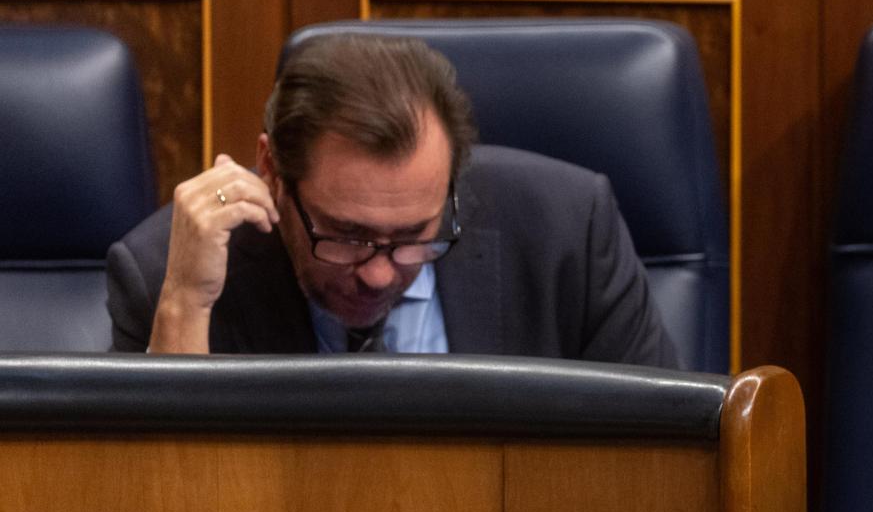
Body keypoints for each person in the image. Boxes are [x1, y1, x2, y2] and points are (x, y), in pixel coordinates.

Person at [108, 33, 678, 365]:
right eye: (347, 236)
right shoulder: (166, 272)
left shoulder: (568, 230)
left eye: (413, 237)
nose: (380, 275)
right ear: (272, 171)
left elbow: (663, 464)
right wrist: (184, 305)